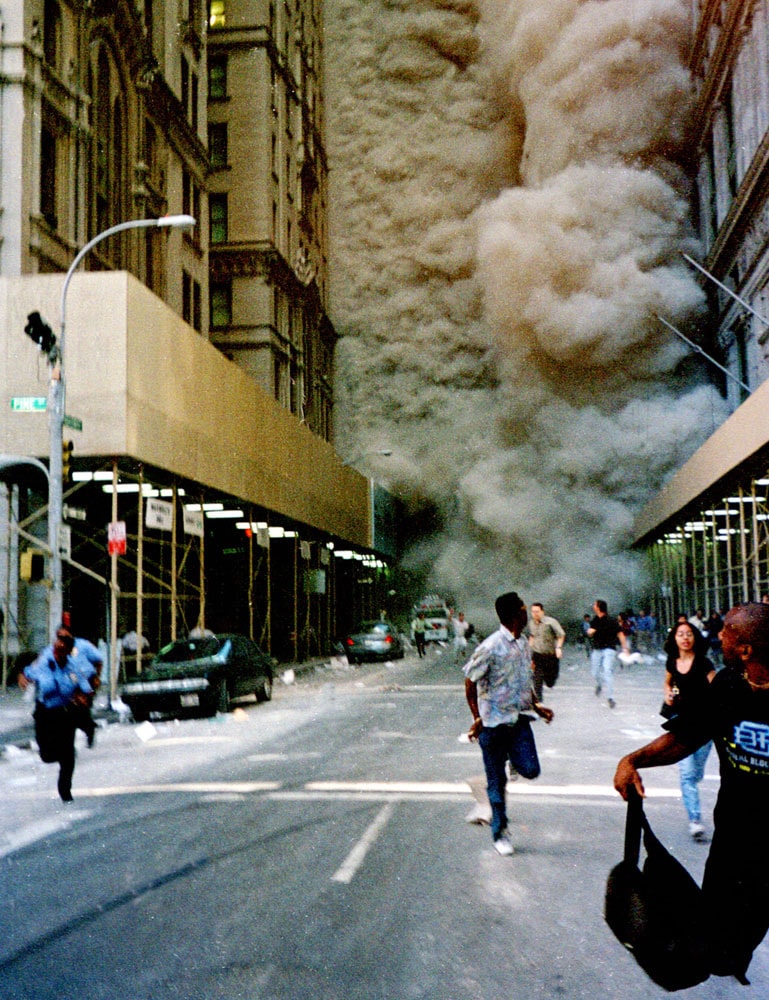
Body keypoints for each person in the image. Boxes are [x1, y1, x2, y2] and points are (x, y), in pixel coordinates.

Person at [614, 602, 769, 984]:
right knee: (720, 949)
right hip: (733, 843)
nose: (718, 635)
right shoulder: (728, 687)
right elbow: (685, 738)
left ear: (746, 648)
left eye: (728, 631)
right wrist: (633, 759)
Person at [463, 591, 554, 856]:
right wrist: (476, 718)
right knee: (496, 783)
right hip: (493, 724)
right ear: (514, 615)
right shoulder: (490, 647)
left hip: (519, 719)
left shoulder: (524, 643)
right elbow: (470, 681)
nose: (528, 614)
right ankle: (500, 834)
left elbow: (525, 681)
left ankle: (512, 759)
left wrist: (537, 706)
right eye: (524, 609)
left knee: (531, 769)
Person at [18, 626, 95, 801]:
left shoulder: (73, 667)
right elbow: (26, 673)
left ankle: (65, 793)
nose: (58, 653)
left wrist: (83, 697)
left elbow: (86, 688)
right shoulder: (43, 663)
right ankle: (67, 750)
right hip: (45, 713)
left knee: (68, 756)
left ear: (68, 652)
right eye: (56, 649)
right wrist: (22, 677)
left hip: (65, 712)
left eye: (62, 650)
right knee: (46, 755)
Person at [662, 620, 716, 839]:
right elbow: (667, 683)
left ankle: (693, 787)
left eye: (689, 634)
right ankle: (695, 820)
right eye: (680, 634)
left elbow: (717, 690)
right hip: (681, 723)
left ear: (695, 638)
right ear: (674, 638)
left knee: (696, 773)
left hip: (705, 724)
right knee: (686, 774)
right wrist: (668, 695)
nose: (685, 638)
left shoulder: (704, 663)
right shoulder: (671, 662)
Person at [587, 600, 630, 708]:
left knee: (607, 670)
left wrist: (625, 648)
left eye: (595, 605)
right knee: (595, 672)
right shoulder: (595, 620)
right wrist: (590, 632)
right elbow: (590, 631)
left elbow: (620, 634)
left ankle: (610, 697)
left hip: (609, 649)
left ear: (599, 607)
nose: (593, 606)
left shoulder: (611, 620)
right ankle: (599, 684)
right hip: (597, 649)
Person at [527, 602, 565, 701]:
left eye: (537, 611)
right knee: (537, 678)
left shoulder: (551, 622)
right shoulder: (531, 623)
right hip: (537, 655)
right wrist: (528, 649)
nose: (535, 614)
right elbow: (532, 636)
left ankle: (549, 681)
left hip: (550, 655)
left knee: (550, 681)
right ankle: (539, 701)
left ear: (542, 612)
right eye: (533, 612)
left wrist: (558, 648)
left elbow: (561, 635)